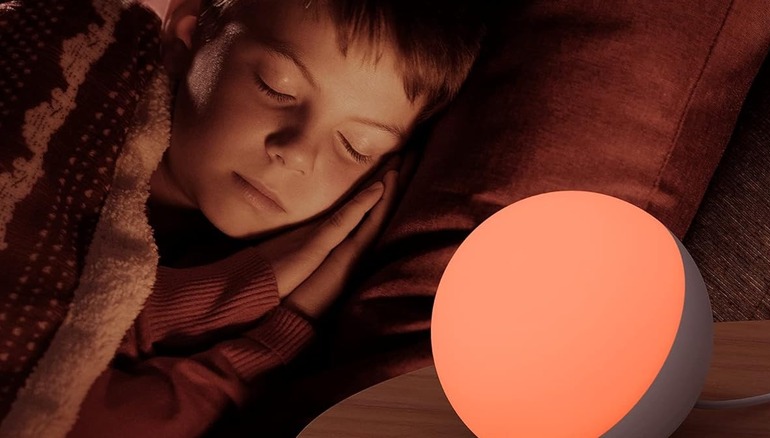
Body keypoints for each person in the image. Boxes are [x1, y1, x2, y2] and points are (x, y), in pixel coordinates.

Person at [67, 0, 484, 436]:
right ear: (187, 32)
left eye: (355, 146)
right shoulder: (60, 91)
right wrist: (235, 295)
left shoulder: (310, 328)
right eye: (276, 87)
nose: (297, 152)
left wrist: (284, 322)